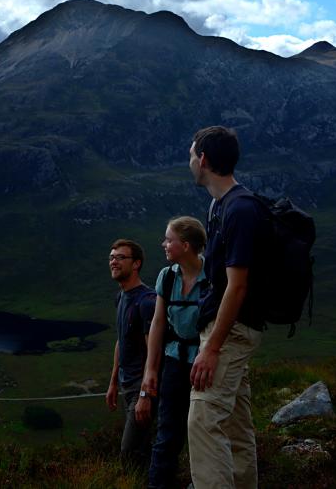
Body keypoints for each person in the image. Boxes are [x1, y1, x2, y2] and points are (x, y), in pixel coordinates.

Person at [187, 126, 270, 488]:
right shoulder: (220, 205)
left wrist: (212, 349)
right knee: (235, 426)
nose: (189, 161)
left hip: (230, 334)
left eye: (192, 154)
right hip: (228, 330)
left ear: (203, 160)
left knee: (203, 421)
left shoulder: (239, 209)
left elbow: (237, 287)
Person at [135, 216, 208, 489]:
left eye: (168, 239)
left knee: (203, 431)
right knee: (167, 434)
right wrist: (151, 371)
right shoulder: (167, 277)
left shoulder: (214, 277)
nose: (163, 244)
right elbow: (158, 323)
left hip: (205, 364)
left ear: (186, 245)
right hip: (174, 362)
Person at [105, 238, 157, 469]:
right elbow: (122, 340)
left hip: (141, 388)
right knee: (141, 452)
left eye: (120, 257)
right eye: (111, 258)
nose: (114, 262)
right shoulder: (121, 297)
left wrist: (145, 395)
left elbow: (153, 352)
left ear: (136, 264)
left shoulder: (146, 301)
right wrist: (113, 382)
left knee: (129, 455)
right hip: (127, 385)